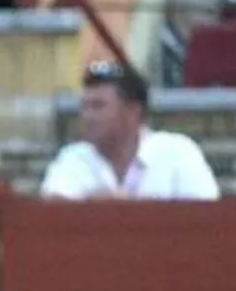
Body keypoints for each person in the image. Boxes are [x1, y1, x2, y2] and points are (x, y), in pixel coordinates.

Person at [38, 61, 219, 202]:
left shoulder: (178, 153)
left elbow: (206, 218)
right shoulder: (73, 158)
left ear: (133, 112)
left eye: (98, 106)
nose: (88, 116)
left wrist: (125, 208)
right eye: (85, 107)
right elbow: (52, 214)